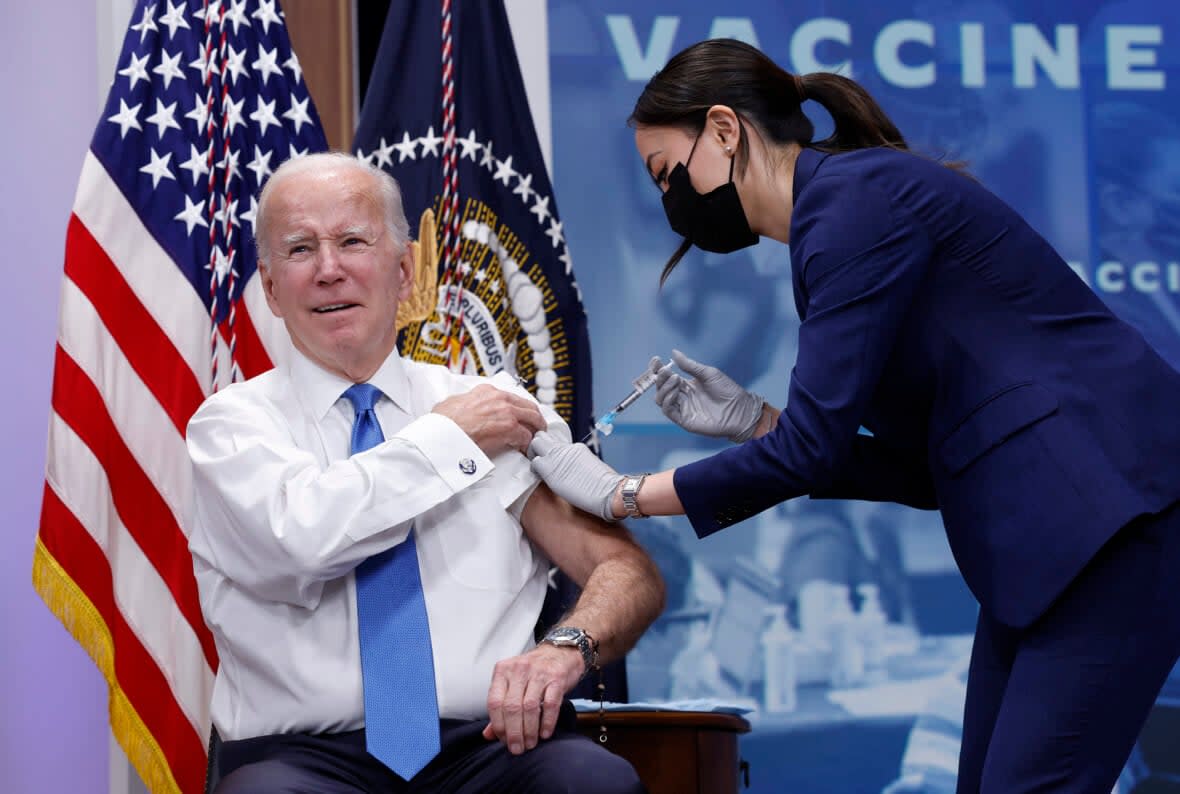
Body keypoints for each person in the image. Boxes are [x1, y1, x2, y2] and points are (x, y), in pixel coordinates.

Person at [528, 38, 1180, 794]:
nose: (672, 202)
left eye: (671, 173)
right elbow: (921, 469)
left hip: (1113, 515)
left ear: (726, 129)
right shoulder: (842, 216)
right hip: (1055, 538)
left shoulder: (851, 206)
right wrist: (757, 421)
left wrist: (624, 495)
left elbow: (811, 452)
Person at [186, 152, 665, 794]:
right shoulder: (231, 427)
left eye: (353, 241)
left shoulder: (495, 406)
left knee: (594, 782)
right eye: (300, 250)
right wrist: (450, 438)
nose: (329, 270)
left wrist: (566, 647)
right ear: (271, 289)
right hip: (303, 759)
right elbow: (303, 539)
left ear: (406, 270)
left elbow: (624, 569)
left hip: (490, 744)